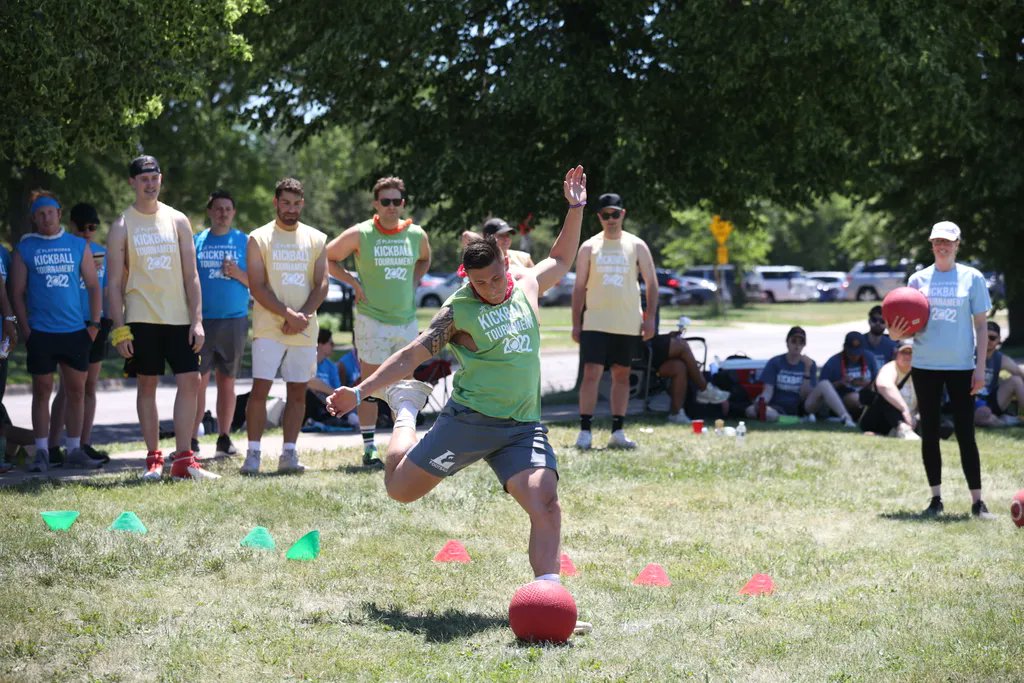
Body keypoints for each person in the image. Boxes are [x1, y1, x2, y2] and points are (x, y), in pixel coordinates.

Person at [325, 165, 586, 586]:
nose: (492, 288)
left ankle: (547, 595)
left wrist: (576, 207)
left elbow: (559, 258)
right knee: (399, 490)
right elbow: (411, 354)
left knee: (546, 501)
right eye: (481, 283)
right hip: (469, 422)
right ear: (469, 279)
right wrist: (360, 392)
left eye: (497, 277)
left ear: (507, 261)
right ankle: (407, 409)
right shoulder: (459, 310)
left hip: (521, 428)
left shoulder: (527, 286)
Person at [106, 155, 216, 481]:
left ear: (161, 179)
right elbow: (112, 283)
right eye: (143, 179)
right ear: (133, 182)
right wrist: (119, 330)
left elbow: (192, 275)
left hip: (180, 316)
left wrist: (197, 320)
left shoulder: (178, 220)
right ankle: (154, 460)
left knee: (190, 383)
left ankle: (184, 459)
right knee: (147, 385)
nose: (150, 184)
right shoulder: (121, 226)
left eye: (154, 178)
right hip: (141, 317)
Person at [889, 221, 994, 519]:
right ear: (931, 244)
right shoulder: (918, 280)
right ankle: (935, 500)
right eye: (937, 241)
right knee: (930, 431)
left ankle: (977, 502)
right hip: (925, 365)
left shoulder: (972, 278)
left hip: (962, 366)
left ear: (958, 243)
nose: (942, 246)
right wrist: (895, 335)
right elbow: (906, 324)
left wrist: (980, 368)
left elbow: (982, 326)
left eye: (947, 241)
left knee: (965, 433)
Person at [325, 176, 431, 467]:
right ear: (376, 204)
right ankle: (370, 447)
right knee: (369, 385)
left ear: (403, 203)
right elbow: (329, 257)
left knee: (406, 387)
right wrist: (352, 283)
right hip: (372, 321)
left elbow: (424, 259)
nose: (391, 207)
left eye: (397, 201)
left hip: (406, 321)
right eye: (385, 201)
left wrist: (414, 279)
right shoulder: (362, 233)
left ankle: (405, 447)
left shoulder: (416, 234)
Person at [10, 191, 103, 472]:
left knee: (76, 391)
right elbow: (16, 292)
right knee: (42, 390)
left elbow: (93, 285)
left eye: (50, 212)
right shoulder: (25, 249)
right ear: (33, 219)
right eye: (40, 214)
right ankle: (41, 452)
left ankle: (74, 449)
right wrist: (26, 330)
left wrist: (95, 325)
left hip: (75, 331)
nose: (46, 217)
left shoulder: (77, 245)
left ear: (59, 214)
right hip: (41, 333)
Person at [241, 177, 328, 475]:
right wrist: (288, 314)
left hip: (303, 328)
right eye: (285, 203)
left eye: (296, 203)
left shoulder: (317, 238)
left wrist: (301, 316)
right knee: (260, 391)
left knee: (297, 393)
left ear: (302, 203)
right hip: (268, 328)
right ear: (276, 202)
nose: (291, 209)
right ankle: (252, 454)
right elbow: (257, 286)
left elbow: (322, 285)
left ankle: (288, 454)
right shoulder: (259, 238)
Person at [571, 192, 657, 450]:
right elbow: (578, 288)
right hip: (595, 321)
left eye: (615, 214)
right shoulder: (588, 247)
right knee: (591, 374)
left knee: (622, 375)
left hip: (627, 322)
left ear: (623, 214)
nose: (611, 219)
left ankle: (617, 431)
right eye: (606, 215)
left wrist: (650, 318)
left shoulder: (637, 245)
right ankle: (585, 431)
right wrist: (577, 322)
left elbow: (652, 284)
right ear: (599, 217)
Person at [46, 203, 112, 464]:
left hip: (97, 322)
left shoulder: (102, 253)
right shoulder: (67, 251)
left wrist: (109, 321)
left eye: (92, 227)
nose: (87, 232)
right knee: (67, 387)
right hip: (71, 324)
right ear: (71, 226)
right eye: (82, 227)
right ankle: (52, 445)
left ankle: (83, 443)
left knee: (89, 386)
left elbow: (107, 290)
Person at [192, 190, 249, 458]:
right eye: (218, 208)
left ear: (233, 212)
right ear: (210, 212)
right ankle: (191, 438)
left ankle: (224, 438)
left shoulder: (245, 242)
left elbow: (259, 283)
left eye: (228, 208)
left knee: (227, 382)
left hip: (234, 321)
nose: (223, 213)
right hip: (202, 322)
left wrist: (238, 273)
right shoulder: (197, 242)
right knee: (196, 382)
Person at [746, 326, 858, 426]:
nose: (797, 346)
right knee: (751, 410)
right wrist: (761, 402)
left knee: (824, 384)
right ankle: (791, 419)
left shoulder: (809, 363)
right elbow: (768, 391)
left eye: (801, 342)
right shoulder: (775, 362)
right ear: (787, 342)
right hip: (778, 406)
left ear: (804, 345)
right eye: (794, 341)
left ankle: (846, 417)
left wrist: (807, 371)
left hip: (802, 406)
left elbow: (806, 395)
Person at [650, 317, 730, 424]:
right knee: (682, 346)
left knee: (679, 366)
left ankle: (676, 414)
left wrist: (667, 337)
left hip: (649, 348)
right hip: (639, 349)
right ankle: (704, 389)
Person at [858, 339, 919, 439]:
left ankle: (901, 431)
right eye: (904, 352)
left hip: (911, 418)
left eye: (911, 353)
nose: (907, 356)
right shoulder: (890, 367)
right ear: (896, 353)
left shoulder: (918, 370)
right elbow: (884, 385)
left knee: (945, 426)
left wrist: (917, 416)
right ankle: (902, 429)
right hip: (881, 418)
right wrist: (905, 410)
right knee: (885, 398)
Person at [304, 328, 357, 430]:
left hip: (327, 402)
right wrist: (328, 391)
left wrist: (325, 390)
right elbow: (309, 381)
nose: (333, 347)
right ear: (320, 344)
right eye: (331, 343)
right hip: (312, 403)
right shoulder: (307, 362)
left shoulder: (331, 366)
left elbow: (336, 389)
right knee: (310, 393)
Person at [973, 320, 1023, 427]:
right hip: (970, 400)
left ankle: (1016, 418)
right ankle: (1007, 421)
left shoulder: (1000, 358)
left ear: (999, 340)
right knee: (983, 416)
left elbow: (1019, 373)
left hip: (991, 400)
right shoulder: (970, 355)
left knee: (1016, 380)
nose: (988, 341)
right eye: (985, 336)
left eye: (992, 338)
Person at [820, 331, 879, 417]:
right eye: (851, 353)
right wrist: (840, 382)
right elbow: (821, 389)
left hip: (866, 394)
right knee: (854, 398)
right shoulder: (832, 363)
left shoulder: (870, 358)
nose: (854, 356)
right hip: (843, 398)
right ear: (844, 348)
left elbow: (878, 381)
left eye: (858, 353)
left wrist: (868, 383)